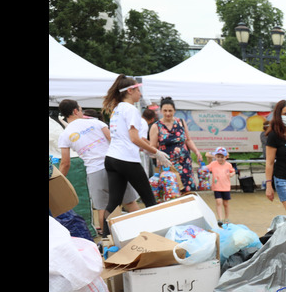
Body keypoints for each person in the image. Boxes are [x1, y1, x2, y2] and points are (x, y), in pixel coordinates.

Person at [57, 99, 140, 236]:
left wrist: (59, 181)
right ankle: (147, 232)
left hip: (94, 171)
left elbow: (65, 163)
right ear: (75, 111)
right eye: (81, 109)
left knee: (102, 208)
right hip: (114, 165)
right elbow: (115, 141)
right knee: (130, 202)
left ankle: (108, 243)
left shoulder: (65, 135)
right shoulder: (96, 122)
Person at [101, 75, 172, 234]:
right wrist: (157, 152)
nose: (140, 94)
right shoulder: (131, 109)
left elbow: (132, 138)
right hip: (126, 159)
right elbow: (134, 138)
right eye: (138, 90)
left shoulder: (117, 109)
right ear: (130, 90)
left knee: (114, 203)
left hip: (111, 158)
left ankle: (105, 239)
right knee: (149, 200)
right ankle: (160, 234)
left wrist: (150, 150)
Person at [149, 97, 203, 194]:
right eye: (165, 111)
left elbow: (188, 140)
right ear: (161, 111)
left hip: (185, 163)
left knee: (187, 191)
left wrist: (196, 151)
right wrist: (158, 156)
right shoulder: (156, 126)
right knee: (171, 192)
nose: (168, 113)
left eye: (170, 110)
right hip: (168, 164)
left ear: (174, 110)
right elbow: (152, 146)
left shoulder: (181, 122)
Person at [204, 147, 236, 225]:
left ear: (226, 157)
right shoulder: (213, 164)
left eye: (222, 157)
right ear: (215, 157)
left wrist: (231, 174)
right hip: (217, 187)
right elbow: (206, 169)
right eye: (218, 157)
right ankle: (220, 219)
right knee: (218, 202)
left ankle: (226, 218)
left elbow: (233, 171)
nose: (220, 159)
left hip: (226, 187)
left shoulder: (228, 165)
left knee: (225, 203)